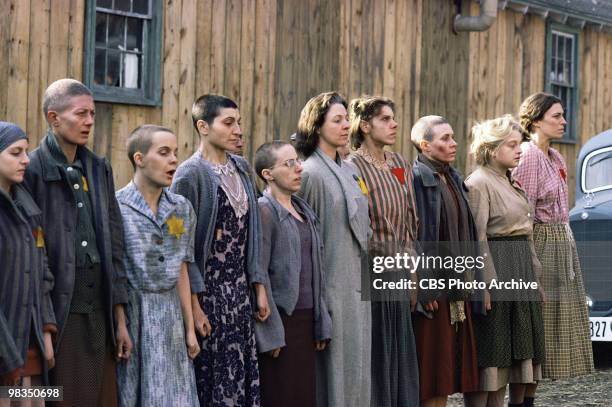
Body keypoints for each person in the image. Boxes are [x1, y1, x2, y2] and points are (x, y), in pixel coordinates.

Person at [24, 79, 131, 407]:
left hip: (100, 310)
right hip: (60, 311)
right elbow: (33, 256)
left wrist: (121, 320)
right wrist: (45, 325)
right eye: (80, 114)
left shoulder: (99, 168)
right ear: (53, 118)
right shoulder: (32, 170)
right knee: (59, 396)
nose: (88, 121)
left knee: (103, 397)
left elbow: (115, 246)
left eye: (92, 114)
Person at [171, 94, 270, 406]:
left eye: (238, 122)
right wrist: (195, 305)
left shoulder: (241, 168)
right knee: (214, 381)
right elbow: (181, 244)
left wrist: (258, 285)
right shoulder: (189, 175)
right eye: (228, 123)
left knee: (241, 378)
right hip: (210, 295)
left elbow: (252, 234)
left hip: (240, 294)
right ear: (203, 126)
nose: (238, 129)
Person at [295, 91, 371, 407]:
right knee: (333, 371)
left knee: (358, 367)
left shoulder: (350, 169)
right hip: (330, 285)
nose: (344, 126)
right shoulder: (309, 172)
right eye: (336, 120)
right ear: (317, 125)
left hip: (357, 279)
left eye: (346, 119)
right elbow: (305, 238)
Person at [464, 116, 546, 407]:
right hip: (499, 271)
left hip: (520, 269)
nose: (519, 149)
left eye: (519, 144)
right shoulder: (478, 183)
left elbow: (526, 234)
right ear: (492, 148)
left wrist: (535, 279)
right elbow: (478, 237)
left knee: (521, 351)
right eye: (511, 145)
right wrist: (485, 283)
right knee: (495, 354)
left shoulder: (510, 181)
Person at [512, 93, 593, 385]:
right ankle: (525, 389)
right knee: (542, 318)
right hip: (542, 241)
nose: (563, 122)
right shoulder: (528, 155)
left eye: (563, 115)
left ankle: (542, 384)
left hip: (561, 241)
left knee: (562, 318)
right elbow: (524, 211)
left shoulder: (556, 156)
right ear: (535, 121)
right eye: (556, 116)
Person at [115, 125, 199, 406]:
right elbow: (115, 273)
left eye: (175, 153)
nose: (173, 160)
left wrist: (189, 328)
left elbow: (182, 269)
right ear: (139, 159)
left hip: (172, 318)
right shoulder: (117, 206)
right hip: (135, 315)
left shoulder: (181, 207)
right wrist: (120, 323)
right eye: (163, 153)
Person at [348, 96, 420, 407]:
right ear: (365, 125)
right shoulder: (354, 167)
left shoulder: (400, 164)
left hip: (401, 270)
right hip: (373, 270)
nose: (393, 125)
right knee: (378, 351)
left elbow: (409, 215)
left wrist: (413, 271)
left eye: (393, 118)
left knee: (401, 351)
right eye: (385, 119)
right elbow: (360, 221)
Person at [253, 140, 332, 407]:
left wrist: (321, 322)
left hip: (306, 322)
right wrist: (271, 331)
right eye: (289, 164)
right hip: (283, 323)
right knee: (281, 396)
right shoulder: (264, 211)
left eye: (298, 161)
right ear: (268, 174)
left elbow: (317, 271)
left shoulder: (304, 210)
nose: (299, 168)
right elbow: (258, 273)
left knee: (304, 396)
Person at [410, 115, 480, 407]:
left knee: (449, 374)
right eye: (445, 139)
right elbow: (416, 234)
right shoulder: (416, 178)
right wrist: (425, 287)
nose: (453, 144)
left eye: (453, 137)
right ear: (425, 146)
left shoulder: (452, 176)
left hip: (457, 284)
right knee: (432, 377)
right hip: (434, 292)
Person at [0, 122, 56, 407]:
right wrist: (8, 355)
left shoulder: (29, 209)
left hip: (30, 349)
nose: (26, 159)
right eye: (15, 152)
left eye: (26, 151)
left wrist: (46, 331)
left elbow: (41, 273)